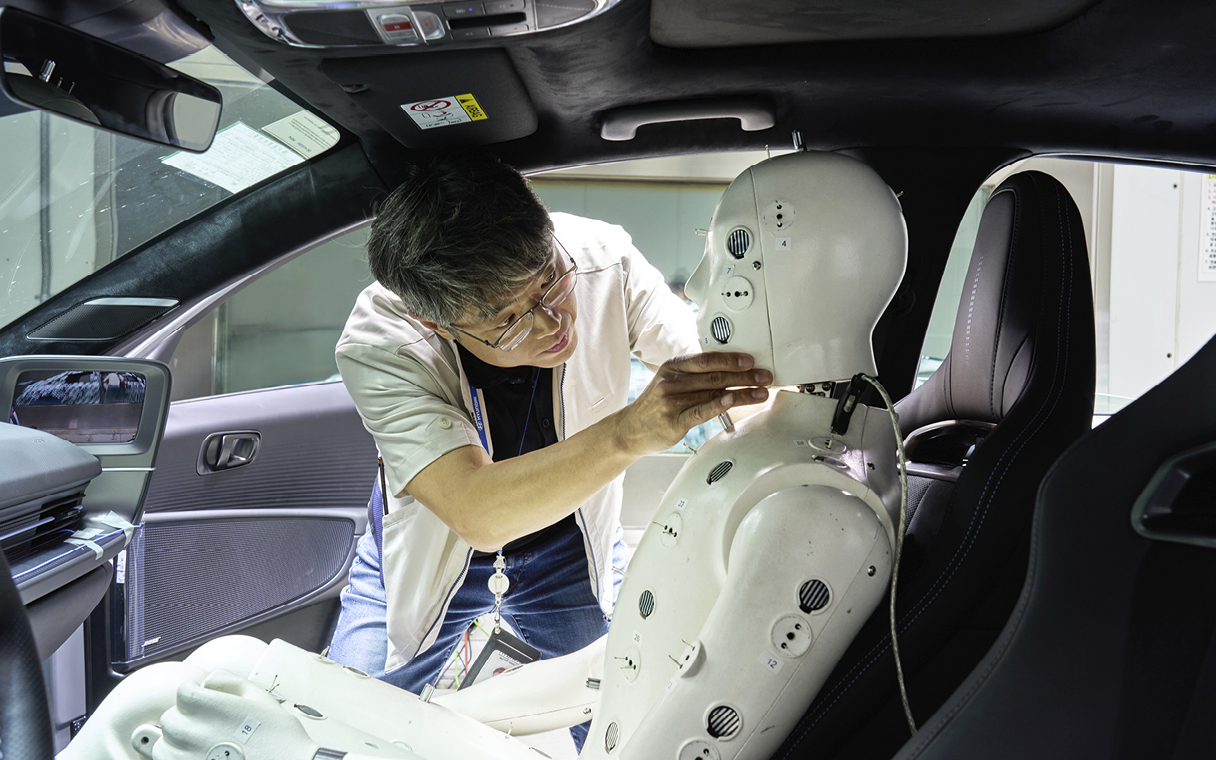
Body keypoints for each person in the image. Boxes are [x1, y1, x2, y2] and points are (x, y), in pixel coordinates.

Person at [325, 153, 772, 746]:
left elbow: (712, 371)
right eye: (508, 321)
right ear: (435, 324)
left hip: (570, 541)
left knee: (627, 714)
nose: (549, 324)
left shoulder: (601, 260)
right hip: (432, 544)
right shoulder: (382, 342)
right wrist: (628, 431)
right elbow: (477, 510)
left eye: (549, 284)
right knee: (350, 720)